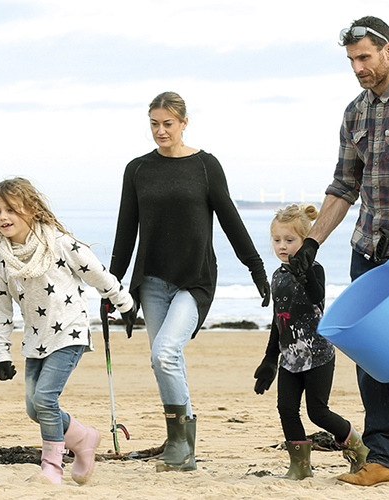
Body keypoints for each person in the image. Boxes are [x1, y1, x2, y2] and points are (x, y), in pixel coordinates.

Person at [288, 16, 389, 486]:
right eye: (351, 60)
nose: (358, 67)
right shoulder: (354, 112)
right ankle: (384, 458)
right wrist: (312, 242)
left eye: (364, 57)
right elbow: (343, 185)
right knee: (368, 349)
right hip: (367, 242)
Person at [109, 91, 270, 472]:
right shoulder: (137, 170)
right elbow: (124, 232)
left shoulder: (205, 166)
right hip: (150, 280)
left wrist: (256, 269)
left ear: (184, 123)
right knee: (166, 359)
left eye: (168, 123)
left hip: (194, 279)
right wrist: (111, 286)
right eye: (154, 124)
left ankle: (180, 444)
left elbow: (230, 220)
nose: (160, 131)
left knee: (164, 353)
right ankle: (183, 448)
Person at [0, 177, 136, 485]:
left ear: (32, 209)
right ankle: (84, 438)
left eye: (11, 209)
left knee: (45, 399)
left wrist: (124, 303)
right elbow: (0, 310)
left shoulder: (58, 243)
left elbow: (96, 273)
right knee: (33, 407)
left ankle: (52, 467)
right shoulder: (2, 259)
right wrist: (2, 354)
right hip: (35, 340)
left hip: (70, 331)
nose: (3, 217)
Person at [253, 204, 369, 480]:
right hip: (290, 358)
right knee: (286, 409)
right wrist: (270, 359)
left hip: (318, 354)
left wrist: (303, 276)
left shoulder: (316, 269)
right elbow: (278, 319)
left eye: (289, 240)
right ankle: (300, 468)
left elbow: (317, 298)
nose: (282, 246)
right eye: (277, 240)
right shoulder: (277, 276)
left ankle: (358, 447)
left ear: (305, 242)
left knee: (318, 412)